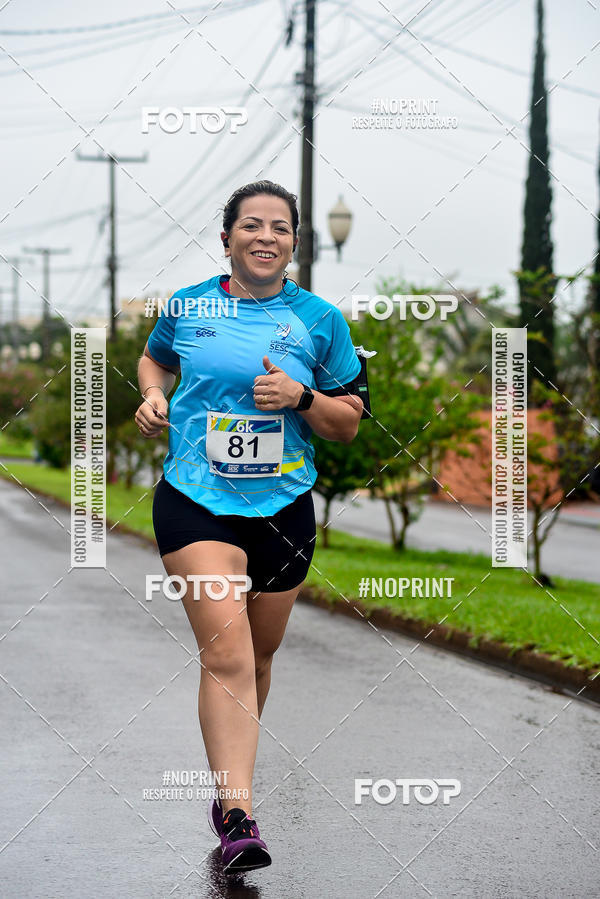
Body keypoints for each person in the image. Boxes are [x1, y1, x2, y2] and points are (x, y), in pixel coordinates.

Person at [135, 180, 363, 873]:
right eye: (251, 225)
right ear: (227, 236)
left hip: (284, 510)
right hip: (195, 499)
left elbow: (349, 421)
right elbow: (156, 358)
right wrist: (153, 394)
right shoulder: (188, 306)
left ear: (296, 242)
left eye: (280, 227)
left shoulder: (319, 320)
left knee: (258, 660)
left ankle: (228, 787)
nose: (266, 236)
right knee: (227, 654)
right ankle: (239, 813)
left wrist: (302, 395)